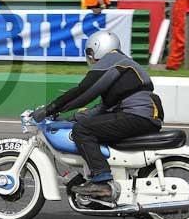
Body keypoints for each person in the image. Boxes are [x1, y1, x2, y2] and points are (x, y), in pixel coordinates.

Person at [32, 31, 164, 200]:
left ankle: (101, 181)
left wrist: (50, 109)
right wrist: (68, 119)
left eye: (91, 54)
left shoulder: (112, 60)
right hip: (141, 114)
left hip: (136, 115)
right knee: (89, 125)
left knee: (83, 131)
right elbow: (101, 109)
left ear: (99, 48)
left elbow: (84, 92)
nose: (91, 59)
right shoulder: (123, 65)